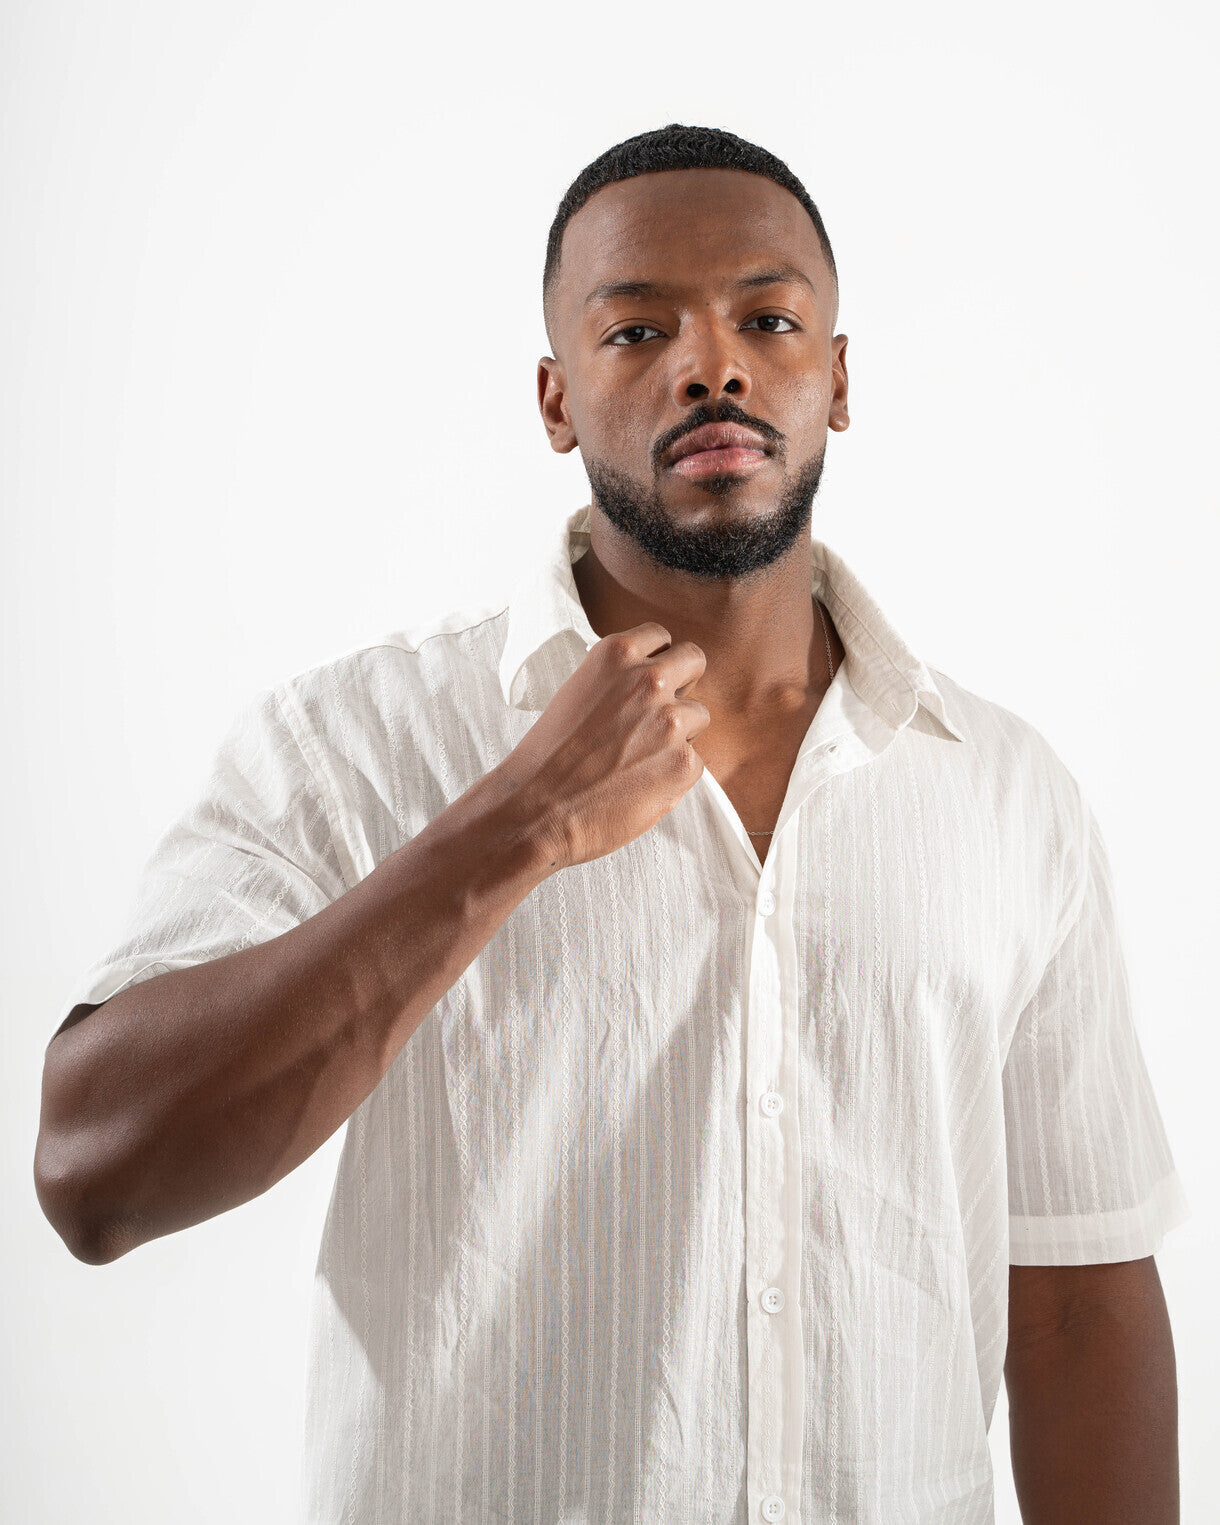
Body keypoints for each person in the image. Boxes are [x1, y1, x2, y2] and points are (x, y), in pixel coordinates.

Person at [35, 123, 1190, 1524]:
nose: (714, 365)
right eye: (638, 330)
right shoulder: (353, 745)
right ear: (555, 399)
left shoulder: (1007, 794)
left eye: (769, 319)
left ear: (838, 379)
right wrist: (513, 822)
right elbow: (95, 1173)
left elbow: (1075, 1310)